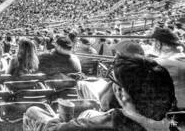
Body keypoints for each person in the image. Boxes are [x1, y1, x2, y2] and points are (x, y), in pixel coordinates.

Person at [23, 55, 178, 131]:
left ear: (121, 93)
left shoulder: (101, 125)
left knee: (32, 111)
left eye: (114, 82)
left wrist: (57, 121)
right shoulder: (174, 125)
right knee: (89, 112)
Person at [149, 27, 185, 108]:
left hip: (175, 109)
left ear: (158, 43)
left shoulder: (161, 63)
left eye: (153, 43)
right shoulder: (181, 56)